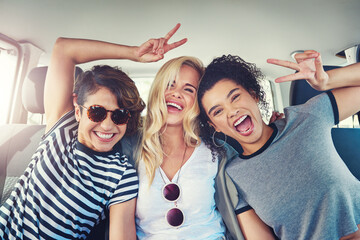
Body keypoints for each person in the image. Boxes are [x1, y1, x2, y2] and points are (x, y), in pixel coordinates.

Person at [0, 24, 186, 239]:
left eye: (119, 116)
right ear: (78, 110)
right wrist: (133, 53)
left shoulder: (121, 174)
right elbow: (63, 49)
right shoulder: (61, 127)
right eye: (97, 112)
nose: (107, 126)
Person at [197, 51, 360, 239]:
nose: (232, 111)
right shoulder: (234, 177)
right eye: (218, 111)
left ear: (253, 95)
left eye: (235, 97)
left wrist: (327, 80)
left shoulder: (306, 117)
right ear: (214, 126)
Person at [134, 55, 229, 239]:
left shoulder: (217, 151)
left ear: (198, 102)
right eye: (170, 84)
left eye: (188, 89)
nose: (177, 93)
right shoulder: (131, 149)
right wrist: (133, 53)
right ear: (157, 90)